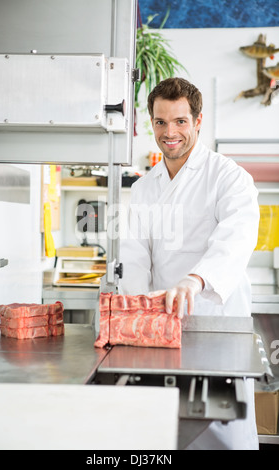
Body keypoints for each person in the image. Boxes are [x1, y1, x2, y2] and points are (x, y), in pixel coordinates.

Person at [119, 77, 260, 450]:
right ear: (152, 123)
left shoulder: (229, 177)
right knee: (165, 433)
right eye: (161, 122)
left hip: (217, 324)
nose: (170, 133)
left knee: (223, 430)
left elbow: (237, 238)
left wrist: (194, 281)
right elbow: (134, 257)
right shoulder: (143, 188)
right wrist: (135, 311)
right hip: (162, 329)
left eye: (180, 121)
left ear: (198, 121)